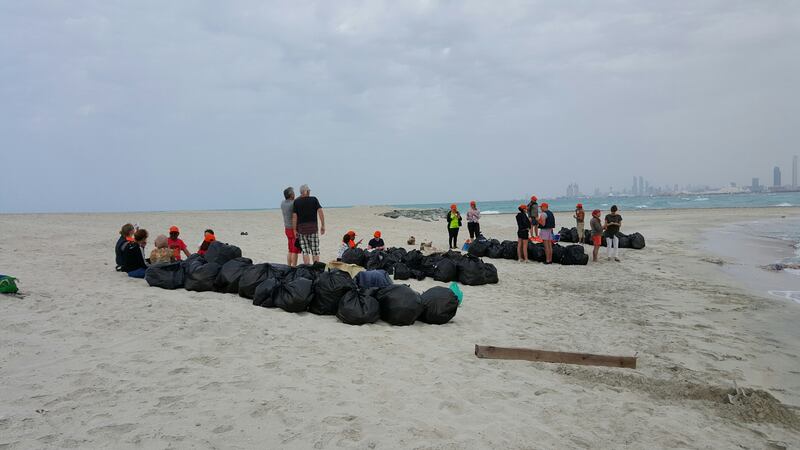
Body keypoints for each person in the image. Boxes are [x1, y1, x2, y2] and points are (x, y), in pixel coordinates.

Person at [292, 184, 325, 264]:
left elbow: (294, 217)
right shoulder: (314, 199)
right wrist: (323, 225)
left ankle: (307, 269)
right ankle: (316, 269)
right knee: (315, 250)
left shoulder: (296, 202)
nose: (310, 192)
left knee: (305, 251)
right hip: (313, 229)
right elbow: (320, 211)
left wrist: (294, 230)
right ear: (306, 191)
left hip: (301, 230)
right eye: (309, 190)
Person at [281, 187, 301, 267]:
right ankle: (294, 267)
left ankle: (289, 266)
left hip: (287, 228)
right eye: (293, 193)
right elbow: (296, 202)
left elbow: (296, 200)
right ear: (291, 195)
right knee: (294, 250)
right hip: (293, 229)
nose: (294, 194)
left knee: (290, 249)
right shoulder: (293, 204)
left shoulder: (283, 203)